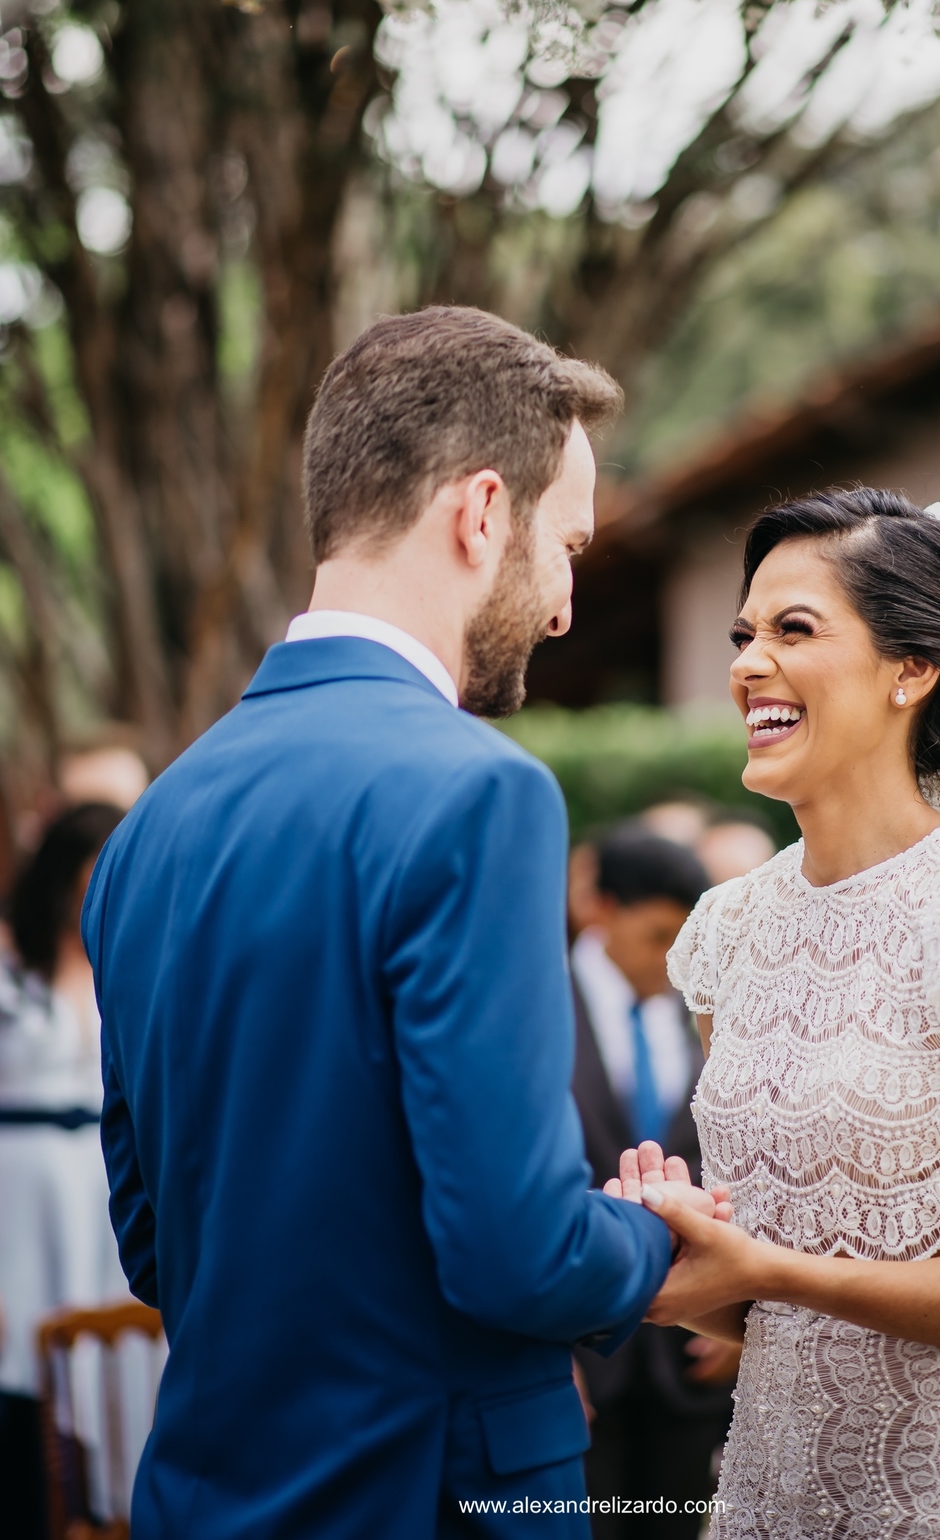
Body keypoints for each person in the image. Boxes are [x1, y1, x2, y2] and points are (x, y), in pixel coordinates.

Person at [81, 309, 713, 1540]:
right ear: (483, 513)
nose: (568, 603)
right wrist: (647, 1235)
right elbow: (518, 1251)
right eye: (565, 544)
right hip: (434, 1499)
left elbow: (157, 1247)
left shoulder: (151, 827)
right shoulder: (479, 789)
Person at [607, 488, 940, 1540]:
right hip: (772, 1496)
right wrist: (681, 1255)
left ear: (911, 669)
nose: (750, 661)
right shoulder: (726, 930)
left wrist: (780, 1271)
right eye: (744, 633)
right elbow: (771, 1312)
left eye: (796, 629)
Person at [571, 827, 733, 1536]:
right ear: (602, 908)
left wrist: (740, 1320)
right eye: (656, 934)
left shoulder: (705, 1010)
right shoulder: (532, 1001)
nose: (671, 958)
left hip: (688, 1370)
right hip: (574, 1361)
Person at [0, 802, 125, 1540]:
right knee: (24, 1387)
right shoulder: (13, 974)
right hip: (18, 1204)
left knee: (107, 1376)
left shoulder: (124, 963)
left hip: (99, 1198)